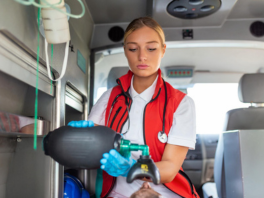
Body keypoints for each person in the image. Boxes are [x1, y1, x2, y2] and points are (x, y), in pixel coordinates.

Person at [69, 17, 199, 198]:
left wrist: (133, 168)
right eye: (133, 49)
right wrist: (83, 137)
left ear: (163, 50)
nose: (142, 56)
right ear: (125, 51)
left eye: (151, 48)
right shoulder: (110, 98)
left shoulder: (181, 103)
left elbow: (169, 168)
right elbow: (91, 147)